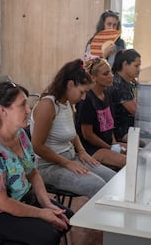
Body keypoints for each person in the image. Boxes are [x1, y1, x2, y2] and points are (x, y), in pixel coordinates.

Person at [0, 82, 72, 245]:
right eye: (22, 105)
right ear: (3, 111)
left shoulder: (20, 135)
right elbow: (1, 202)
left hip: (16, 200)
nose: (29, 110)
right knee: (47, 235)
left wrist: (46, 203)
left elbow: (33, 173)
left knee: (66, 218)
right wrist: (41, 213)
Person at [30, 59, 116, 199]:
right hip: (48, 166)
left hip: (70, 157)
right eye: (82, 92)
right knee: (97, 185)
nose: (83, 98)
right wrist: (67, 163)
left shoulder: (67, 103)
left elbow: (72, 133)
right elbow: (37, 146)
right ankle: (93, 220)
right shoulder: (48, 105)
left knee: (113, 179)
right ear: (70, 84)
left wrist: (81, 151)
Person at [75, 58, 126, 169]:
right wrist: (110, 148)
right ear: (94, 78)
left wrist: (114, 143)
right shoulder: (87, 99)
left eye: (111, 72)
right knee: (128, 161)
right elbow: (87, 135)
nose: (111, 76)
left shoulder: (107, 94)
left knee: (137, 153)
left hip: (107, 144)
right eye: (105, 74)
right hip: (92, 148)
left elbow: (109, 124)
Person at [109, 49, 141, 143]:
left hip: (131, 127)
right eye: (136, 66)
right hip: (120, 131)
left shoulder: (130, 82)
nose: (139, 69)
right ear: (125, 64)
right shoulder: (118, 83)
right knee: (146, 142)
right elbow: (135, 110)